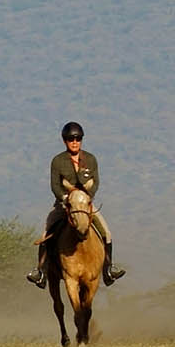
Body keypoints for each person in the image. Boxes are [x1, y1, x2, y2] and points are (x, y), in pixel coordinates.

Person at [26, 121, 127, 288]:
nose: (75, 142)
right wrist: (66, 199)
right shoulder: (58, 161)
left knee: (106, 233)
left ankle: (109, 269)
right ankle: (41, 272)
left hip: (85, 204)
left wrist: (86, 197)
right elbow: (55, 186)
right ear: (65, 141)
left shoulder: (90, 159)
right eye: (71, 139)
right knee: (46, 233)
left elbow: (95, 183)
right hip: (64, 205)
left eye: (78, 139)